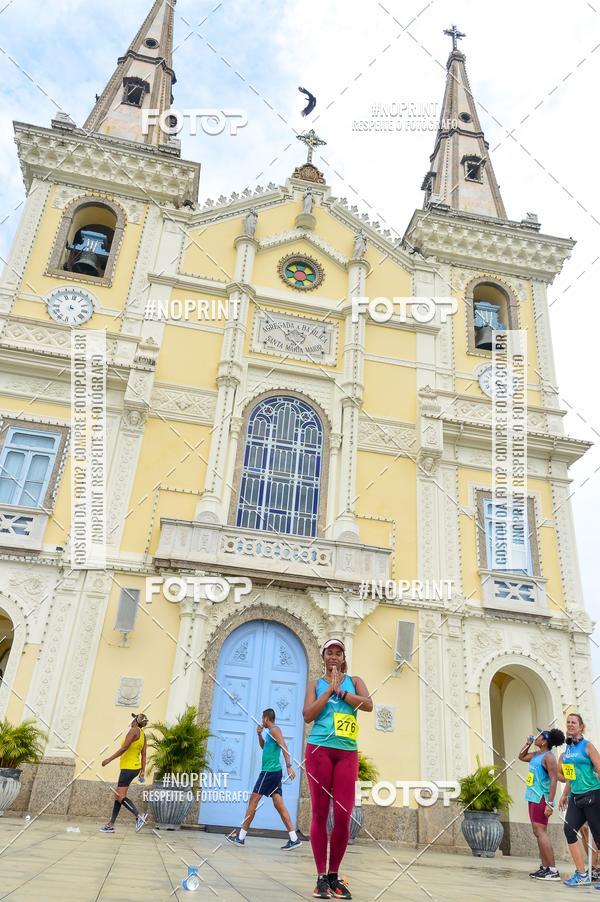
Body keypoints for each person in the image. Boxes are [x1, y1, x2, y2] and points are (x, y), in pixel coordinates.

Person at [303, 638, 373, 900]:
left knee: (343, 814)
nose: (334, 657)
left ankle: (335, 875)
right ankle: (321, 877)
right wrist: (327, 692)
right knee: (320, 813)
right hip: (319, 750)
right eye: (329, 653)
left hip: (346, 753)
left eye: (338, 653)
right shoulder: (315, 684)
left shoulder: (355, 681)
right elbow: (308, 715)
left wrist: (342, 692)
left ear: (344, 658)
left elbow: (368, 704)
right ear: (323, 657)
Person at [226, 708, 301, 850]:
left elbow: (284, 746)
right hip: (272, 772)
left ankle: (240, 837)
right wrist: (259, 735)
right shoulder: (268, 733)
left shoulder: (275, 730)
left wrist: (289, 766)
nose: (261, 721)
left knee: (253, 799)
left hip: (269, 772)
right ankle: (294, 838)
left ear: (266, 718)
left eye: (262, 718)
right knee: (279, 805)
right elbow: (263, 747)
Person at [558, 713, 600, 887]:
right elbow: (570, 776)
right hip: (576, 796)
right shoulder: (567, 751)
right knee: (569, 830)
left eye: (573, 722)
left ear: (581, 727)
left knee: (598, 836)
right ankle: (582, 874)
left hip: (593, 794)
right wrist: (564, 794)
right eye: (568, 722)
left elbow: (599, 768)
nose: (570, 725)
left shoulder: (587, 746)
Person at [518, 727, 565, 880]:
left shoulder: (549, 757)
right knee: (537, 832)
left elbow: (553, 780)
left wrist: (550, 803)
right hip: (532, 796)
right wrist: (528, 743)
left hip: (541, 798)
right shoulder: (537, 754)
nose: (536, 737)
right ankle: (545, 867)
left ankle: (552, 870)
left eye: (539, 736)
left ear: (544, 741)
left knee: (541, 831)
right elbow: (521, 756)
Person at [100, 713, 148, 834]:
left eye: (133, 719)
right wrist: (142, 771)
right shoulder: (142, 735)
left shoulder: (134, 730)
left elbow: (124, 748)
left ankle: (139, 815)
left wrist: (108, 759)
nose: (131, 721)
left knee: (119, 795)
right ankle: (111, 824)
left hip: (128, 768)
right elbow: (144, 754)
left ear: (136, 721)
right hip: (135, 768)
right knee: (119, 796)